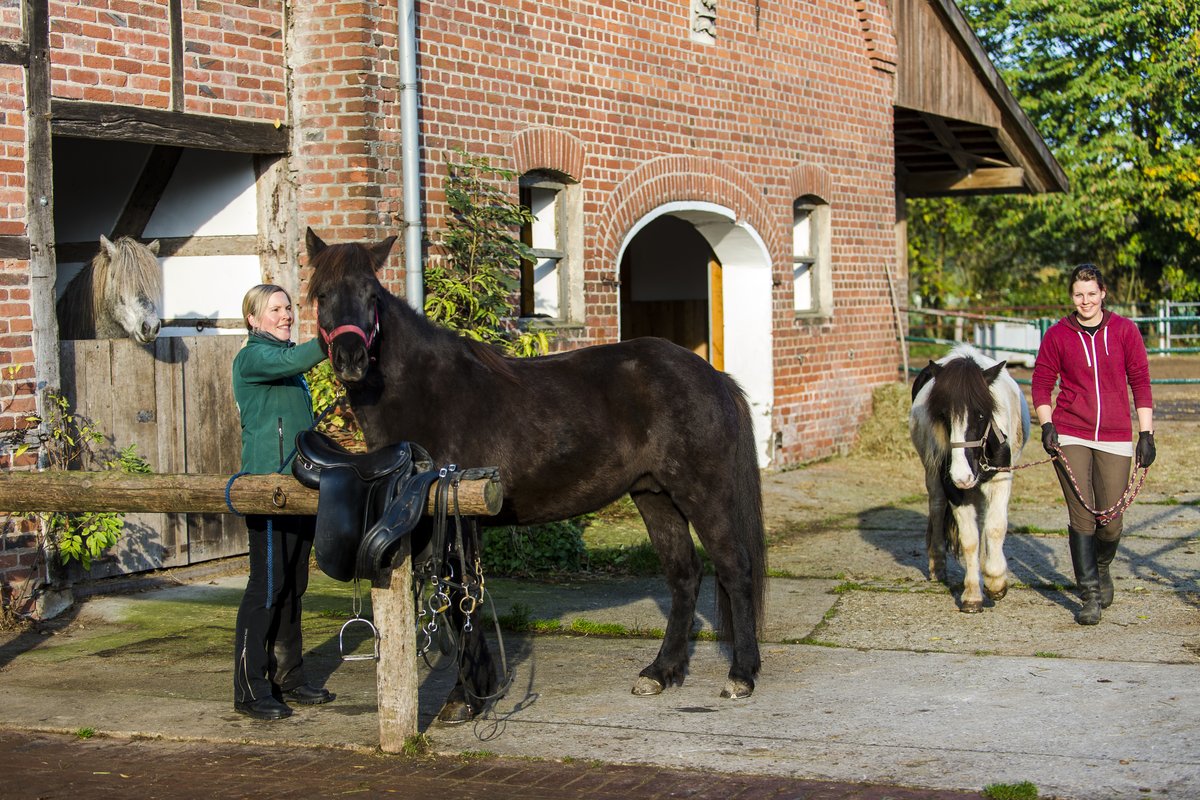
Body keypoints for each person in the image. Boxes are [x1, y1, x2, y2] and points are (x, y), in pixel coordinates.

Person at [231, 284, 334, 720]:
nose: (286, 314)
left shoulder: (287, 367)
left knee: (294, 585)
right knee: (267, 587)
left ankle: (288, 677)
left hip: (296, 489)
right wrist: (334, 336)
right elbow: (293, 357)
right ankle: (250, 688)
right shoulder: (255, 357)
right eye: (275, 309)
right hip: (267, 489)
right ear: (253, 320)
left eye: (288, 307)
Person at [1031, 264, 1155, 626]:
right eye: (1078, 294)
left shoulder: (1125, 331)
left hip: (1115, 434)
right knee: (1082, 517)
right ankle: (1089, 595)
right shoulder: (1058, 335)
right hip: (1070, 433)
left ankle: (1101, 567)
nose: (1084, 301)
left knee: (1111, 521)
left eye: (1091, 293)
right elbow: (1042, 382)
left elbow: (1141, 382)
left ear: (1103, 293)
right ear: (1072, 297)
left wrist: (1146, 434)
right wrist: (1047, 423)